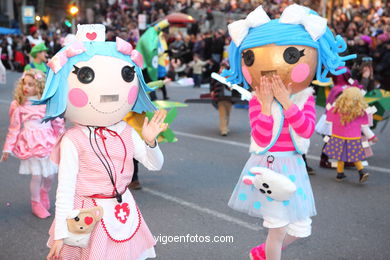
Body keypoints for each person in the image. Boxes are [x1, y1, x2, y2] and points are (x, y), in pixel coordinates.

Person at [221, 5, 355, 260]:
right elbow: (260, 138)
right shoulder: (256, 99)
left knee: (301, 228)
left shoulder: (305, 97)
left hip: (294, 167)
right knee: (278, 229)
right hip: (268, 164)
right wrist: (265, 107)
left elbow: (305, 131)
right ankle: (267, 254)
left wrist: (287, 102)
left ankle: (260, 253)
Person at [41, 24, 167, 260]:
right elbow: (65, 189)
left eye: (126, 75)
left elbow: (155, 165)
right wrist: (60, 233)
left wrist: (151, 143)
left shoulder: (126, 130)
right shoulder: (73, 139)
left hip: (124, 210)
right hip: (89, 216)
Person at [1, 69, 64, 218]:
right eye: (24, 83)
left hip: (48, 143)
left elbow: (58, 124)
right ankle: (35, 203)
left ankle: (44, 192)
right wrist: (7, 149)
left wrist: (63, 141)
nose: (26, 87)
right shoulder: (19, 106)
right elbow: (14, 129)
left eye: (31, 84)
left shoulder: (48, 104)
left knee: (50, 176)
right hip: (30, 145)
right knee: (36, 175)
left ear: (39, 86)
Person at [323, 87, 378, 183]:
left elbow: (328, 121)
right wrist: (372, 137)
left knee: (340, 157)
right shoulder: (360, 112)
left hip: (337, 137)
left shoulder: (336, 109)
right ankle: (362, 172)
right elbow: (364, 127)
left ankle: (340, 174)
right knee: (355, 157)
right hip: (353, 138)